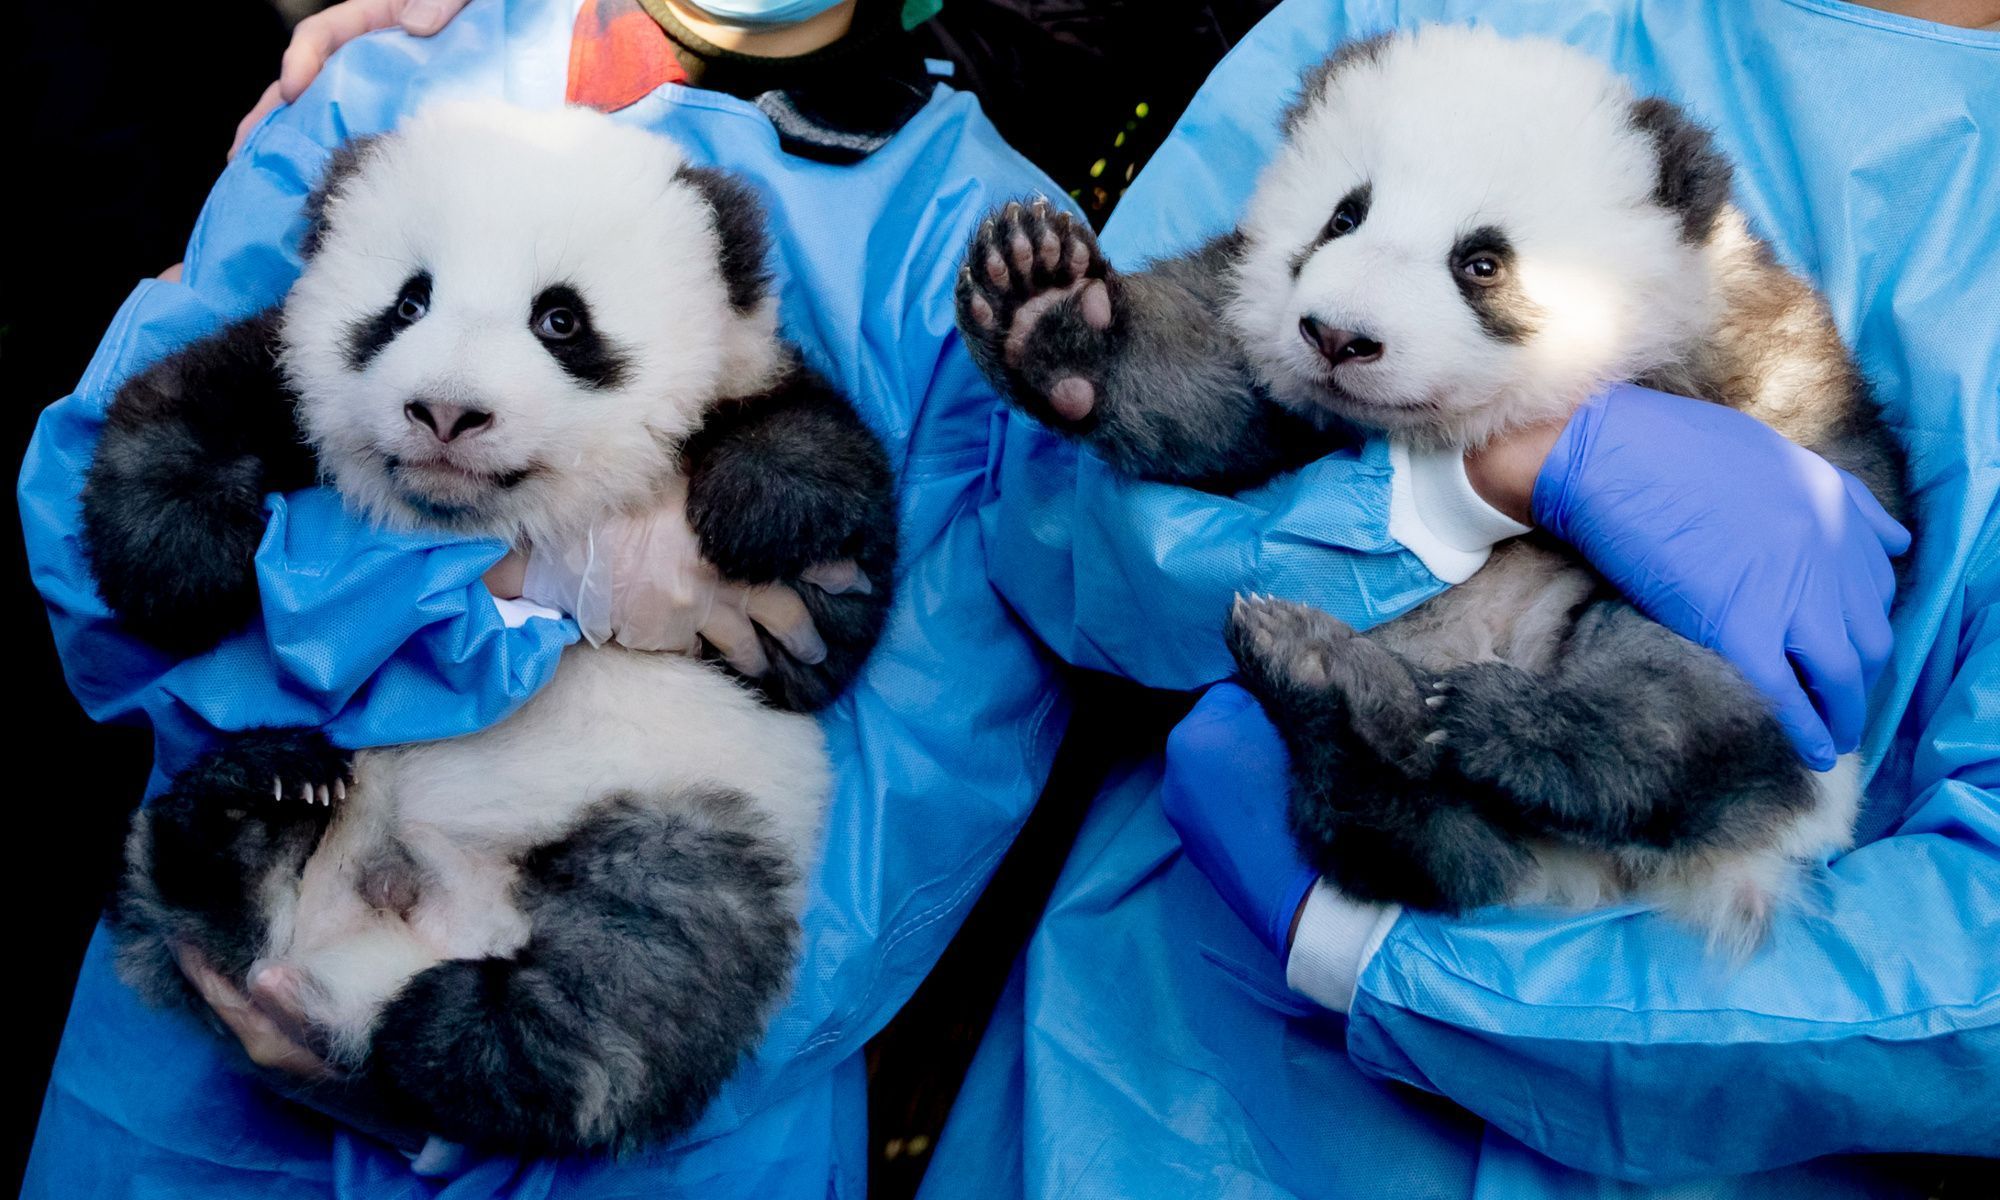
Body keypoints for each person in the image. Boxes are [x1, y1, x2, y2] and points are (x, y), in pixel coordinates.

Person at [17, 2, 1918, 1198]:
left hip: (661, 1082)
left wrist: (563, 1057)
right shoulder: (412, 78)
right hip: (200, 1034)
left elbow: (906, 818)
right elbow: (107, 548)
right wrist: (529, 577)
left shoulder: (956, 216)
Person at [919, 0, 2000, 1197]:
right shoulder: (1406, 18)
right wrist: (1465, 491)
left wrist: (1379, 957)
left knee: (1667, 710)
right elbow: (1054, 543)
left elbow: (1971, 968)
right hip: (1174, 1094)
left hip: (1709, 1061)